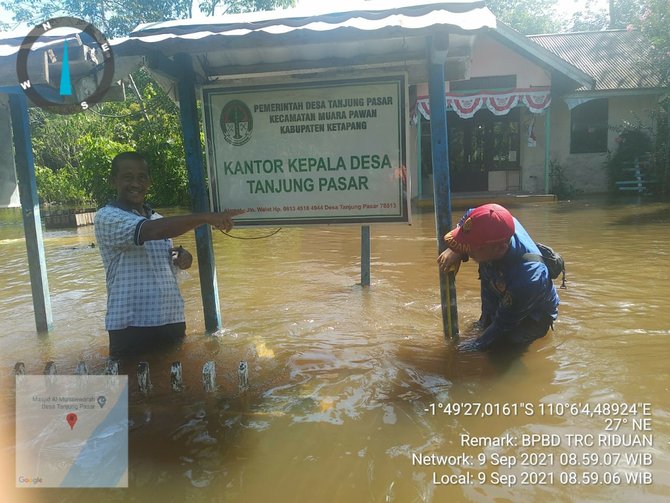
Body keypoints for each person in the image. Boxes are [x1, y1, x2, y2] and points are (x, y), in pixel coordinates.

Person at [94, 151, 243, 358]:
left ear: (149, 181)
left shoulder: (156, 217)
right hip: (131, 324)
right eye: (128, 177)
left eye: (142, 177)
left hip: (171, 318)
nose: (136, 183)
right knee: (133, 388)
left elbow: (163, 258)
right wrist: (207, 217)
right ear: (114, 180)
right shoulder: (107, 216)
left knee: (174, 383)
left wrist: (182, 258)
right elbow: (152, 231)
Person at [437, 203, 559, 352]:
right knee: (485, 321)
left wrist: (468, 349)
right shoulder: (491, 219)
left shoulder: (528, 278)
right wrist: (457, 249)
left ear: (500, 247)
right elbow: (469, 216)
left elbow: (503, 326)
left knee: (501, 350)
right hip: (496, 280)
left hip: (530, 317)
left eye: (472, 248)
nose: (468, 250)